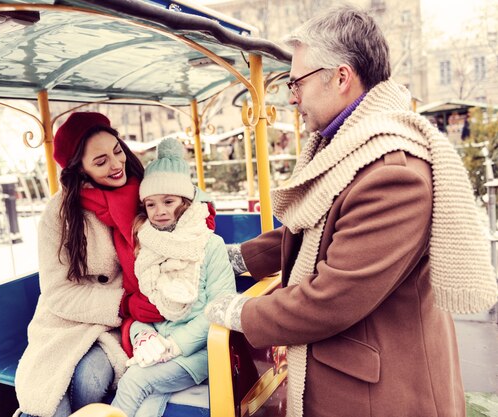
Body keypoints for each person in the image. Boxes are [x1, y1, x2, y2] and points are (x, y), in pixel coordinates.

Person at [205, 6, 497, 417]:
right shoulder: (349, 146)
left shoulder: (392, 171)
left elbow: (331, 299)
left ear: (341, 77)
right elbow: (317, 225)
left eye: (296, 82)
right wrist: (237, 257)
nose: (292, 97)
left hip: (380, 396)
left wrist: (236, 312)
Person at [15, 112, 163, 417]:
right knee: (48, 402)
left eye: (117, 151)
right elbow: (57, 293)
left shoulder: (148, 195)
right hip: (66, 322)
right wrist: (123, 302)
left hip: (117, 326)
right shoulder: (59, 215)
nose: (116, 164)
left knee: (90, 378)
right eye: (100, 161)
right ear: (79, 170)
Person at [110, 138, 236, 417]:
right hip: (159, 347)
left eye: (168, 201)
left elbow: (219, 307)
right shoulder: (146, 244)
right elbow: (142, 303)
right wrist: (143, 336)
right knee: (147, 403)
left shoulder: (208, 245)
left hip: (200, 351)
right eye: (151, 204)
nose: (160, 211)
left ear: (185, 201)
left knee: (135, 382)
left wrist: (174, 345)